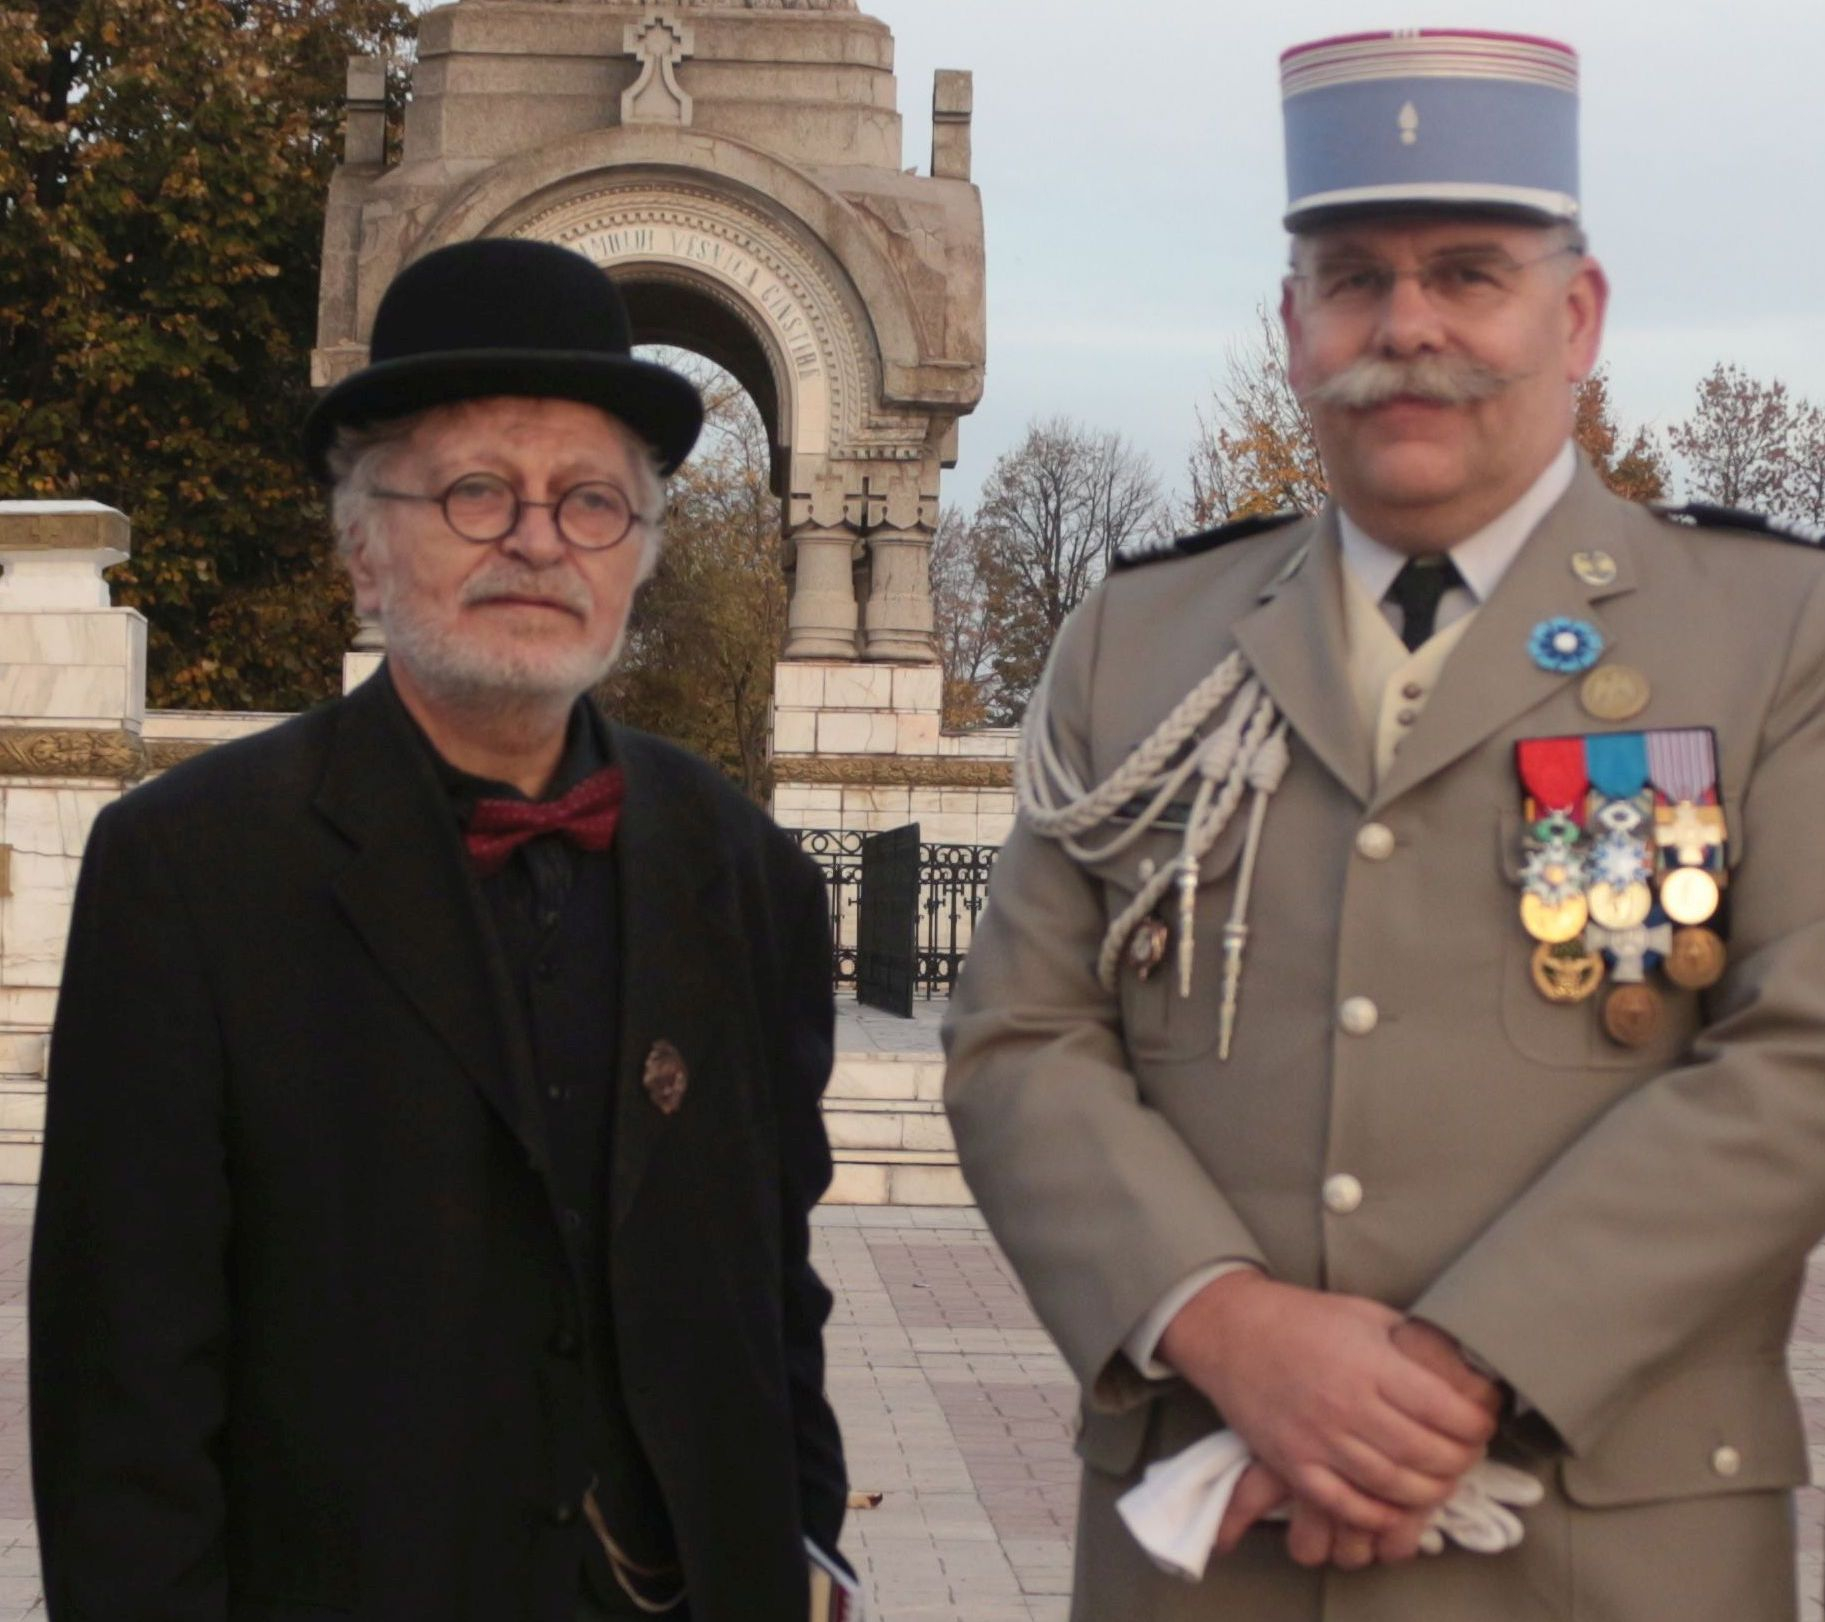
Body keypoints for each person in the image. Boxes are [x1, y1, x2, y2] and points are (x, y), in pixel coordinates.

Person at [945, 27, 1825, 1621]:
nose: (1403, 326)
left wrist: (1450, 1371)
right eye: (1351, 278)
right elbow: (1020, 1035)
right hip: (1213, 1540)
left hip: (1600, 1546)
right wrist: (1223, 1325)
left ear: (1578, 315)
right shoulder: (1139, 642)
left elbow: (1799, 1048)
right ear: (1290, 325)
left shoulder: (1768, 631)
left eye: (1466, 272)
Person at [30, 238, 850, 1622]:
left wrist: (804, 1554)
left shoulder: (744, 868)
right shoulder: (186, 867)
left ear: (639, 554)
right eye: (479, 490)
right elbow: (125, 1383)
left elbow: (775, 1296)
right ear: (362, 544)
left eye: (592, 500)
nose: (539, 540)